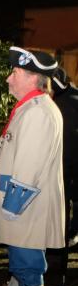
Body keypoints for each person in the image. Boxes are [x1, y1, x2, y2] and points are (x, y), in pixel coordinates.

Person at [0, 47, 64, 286]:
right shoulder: (30, 107)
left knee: (28, 263)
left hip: (26, 205)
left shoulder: (39, 112)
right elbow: (14, 144)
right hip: (23, 204)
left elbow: (29, 166)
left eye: (14, 72)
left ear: (32, 77)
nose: (8, 78)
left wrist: (12, 206)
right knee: (20, 256)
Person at [51, 68, 77, 247]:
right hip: (64, 162)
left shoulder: (67, 101)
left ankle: (67, 236)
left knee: (65, 202)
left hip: (68, 163)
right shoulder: (63, 98)